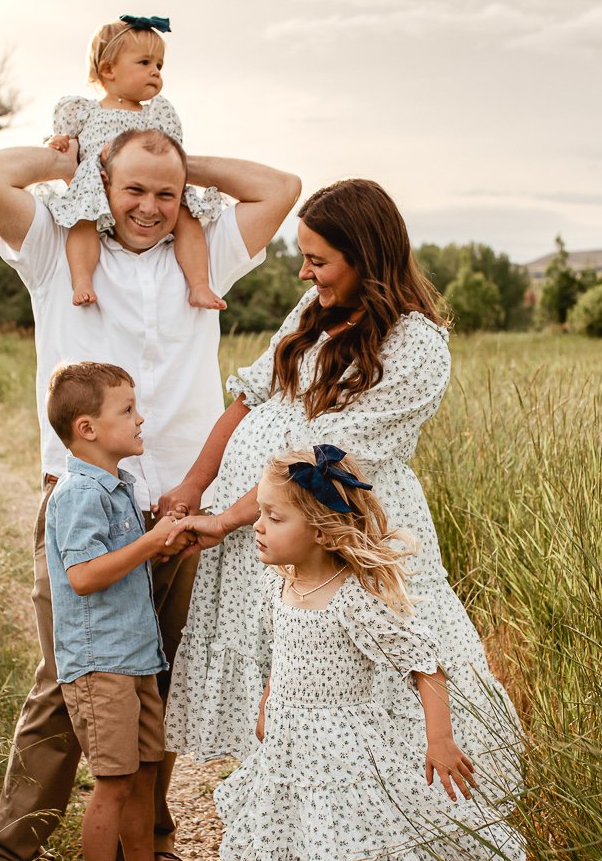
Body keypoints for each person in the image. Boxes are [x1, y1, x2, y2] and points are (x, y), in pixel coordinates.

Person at [0, 125, 301, 861]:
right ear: (102, 190)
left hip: (179, 503)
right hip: (86, 499)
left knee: (156, 678)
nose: (150, 208)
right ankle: (9, 859)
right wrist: (78, 161)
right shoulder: (58, 249)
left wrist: (181, 163)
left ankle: (151, 849)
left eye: (166, 194)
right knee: (68, 683)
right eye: (133, 191)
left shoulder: (204, 252)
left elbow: (281, 187)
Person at [161, 179, 523, 795]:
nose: (304, 274)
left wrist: (227, 521)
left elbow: (318, 464)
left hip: (332, 531)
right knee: (281, 677)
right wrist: (196, 488)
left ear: (368, 259)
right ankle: (289, 836)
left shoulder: (417, 347)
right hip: (265, 525)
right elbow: (248, 397)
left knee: (356, 677)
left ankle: (385, 837)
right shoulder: (314, 312)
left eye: (319, 260)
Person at [214, 447, 525, 861]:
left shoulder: (354, 598)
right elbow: (279, 660)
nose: (257, 526)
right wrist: (267, 703)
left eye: (274, 517)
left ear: (323, 530)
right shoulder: (278, 585)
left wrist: (440, 740)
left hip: (344, 755)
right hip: (285, 753)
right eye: (260, 512)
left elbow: (425, 663)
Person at [39, 361, 224, 861]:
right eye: (127, 410)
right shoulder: (76, 494)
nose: (140, 417)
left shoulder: (119, 487)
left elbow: (124, 564)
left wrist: (163, 539)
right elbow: (85, 576)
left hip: (137, 657)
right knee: (114, 781)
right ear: (87, 428)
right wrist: (149, 543)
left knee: (144, 774)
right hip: (101, 664)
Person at [43, 15, 227, 310]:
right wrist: (58, 143)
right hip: (96, 185)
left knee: (186, 220)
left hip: (146, 188)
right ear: (108, 69)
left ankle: (199, 285)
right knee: (83, 223)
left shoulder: (155, 114)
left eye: (159, 65)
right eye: (144, 63)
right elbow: (65, 143)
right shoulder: (84, 110)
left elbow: (170, 155)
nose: (155, 71)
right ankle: (82, 281)